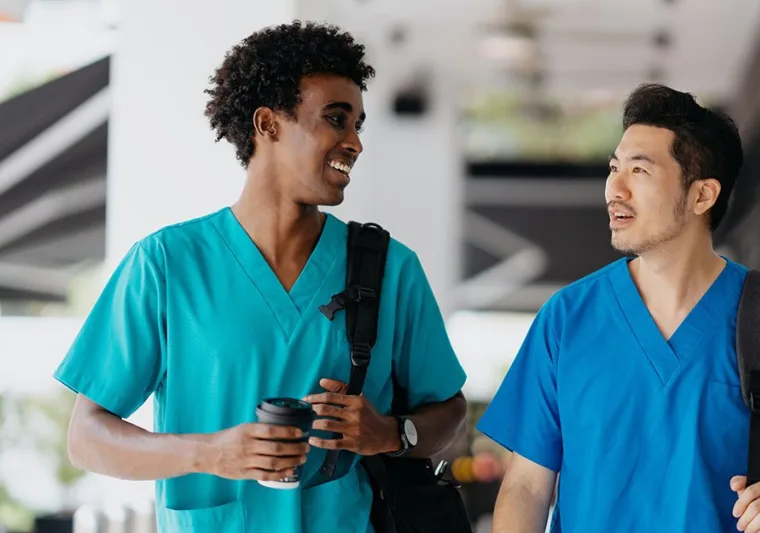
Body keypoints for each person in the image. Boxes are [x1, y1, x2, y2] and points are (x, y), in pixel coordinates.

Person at [53, 21, 467, 533]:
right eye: (336, 120)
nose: (355, 142)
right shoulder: (166, 264)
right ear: (268, 124)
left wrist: (391, 432)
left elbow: (449, 411)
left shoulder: (391, 269)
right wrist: (210, 453)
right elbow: (87, 437)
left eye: (359, 124)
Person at [476, 84, 760, 532]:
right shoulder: (566, 319)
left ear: (702, 195)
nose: (615, 188)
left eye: (639, 170)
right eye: (615, 168)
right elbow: (527, 488)